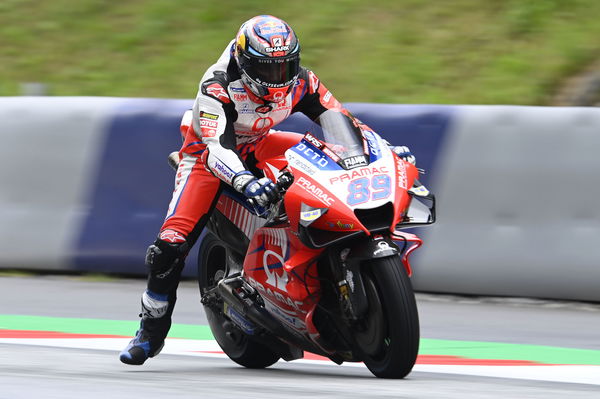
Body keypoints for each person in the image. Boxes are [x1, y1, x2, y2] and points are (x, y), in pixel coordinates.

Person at [119, 14, 415, 365]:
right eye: (268, 69)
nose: (279, 78)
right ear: (245, 64)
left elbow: (340, 120)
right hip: (208, 156)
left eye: (286, 66)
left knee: (324, 161)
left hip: (261, 142)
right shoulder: (218, 86)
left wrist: (379, 149)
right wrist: (245, 181)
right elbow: (216, 148)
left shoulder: (302, 81)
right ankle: (151, 331)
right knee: (169, 246)